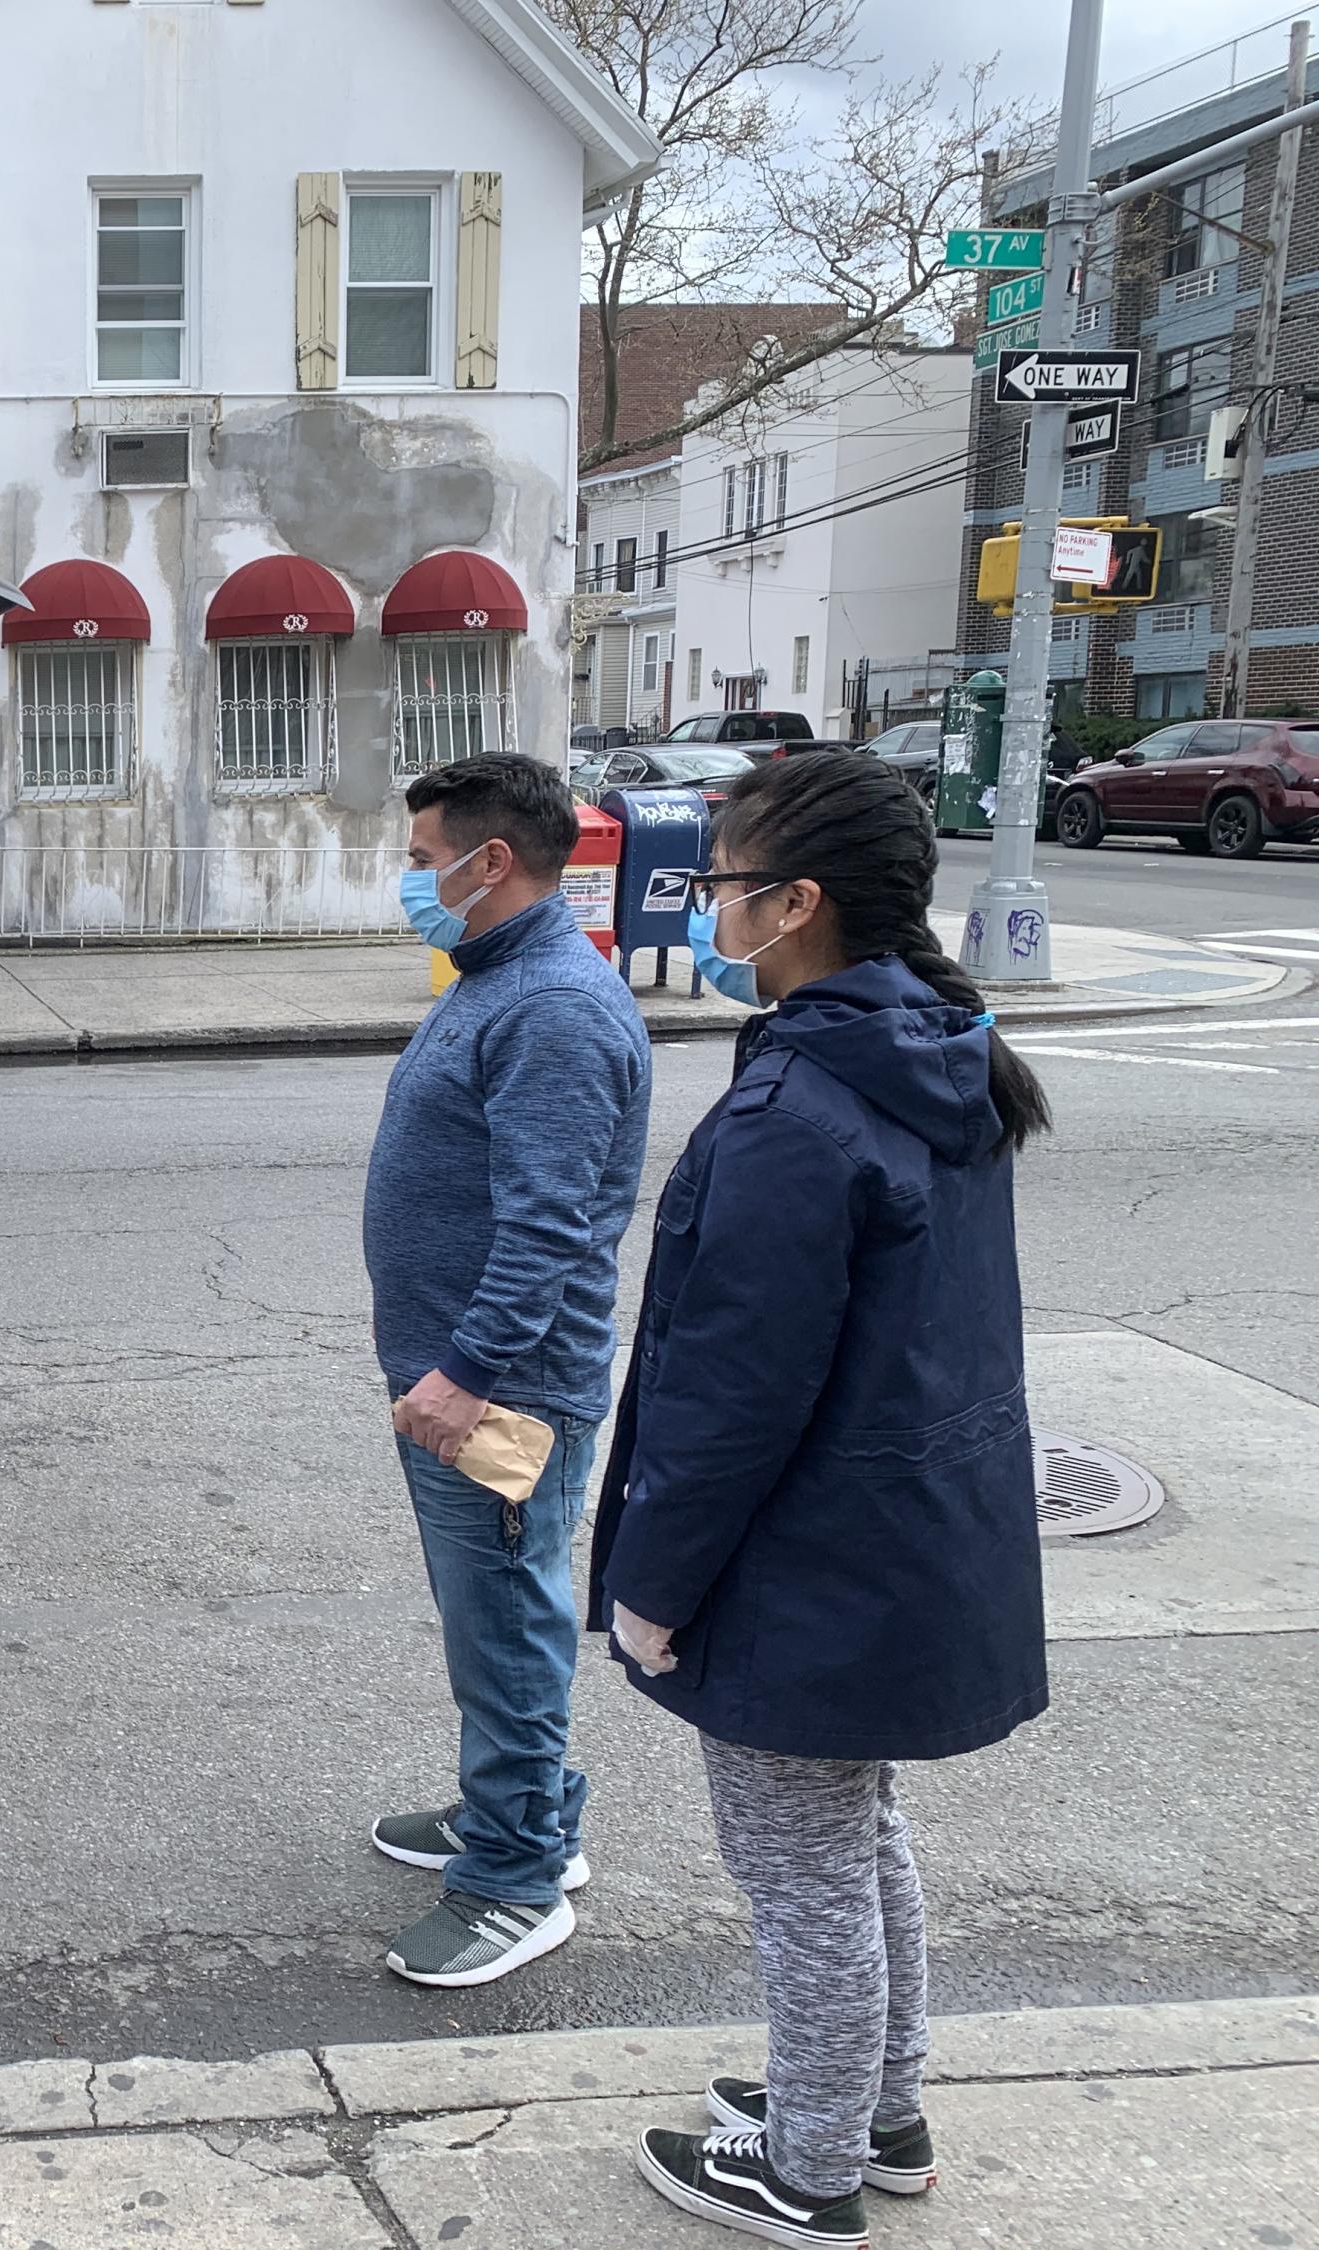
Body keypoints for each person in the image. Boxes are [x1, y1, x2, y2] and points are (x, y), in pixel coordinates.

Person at [600, 752, 1050, 2246]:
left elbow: (731, 1399)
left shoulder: (801, 1103)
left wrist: (653, 1593)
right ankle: (878, 2111)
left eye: (723, 880)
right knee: (857, 1841)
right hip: (899, 1542)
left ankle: (806, 2169)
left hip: (809, 1561)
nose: (706, 901)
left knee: (802, 1870)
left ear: (796, 905)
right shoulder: (940, 1053)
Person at [361, 752, 652, 1987]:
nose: (412, 881)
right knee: (492, 1619)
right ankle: (516, 1808)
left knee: (508, 1626)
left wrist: (465, 1371)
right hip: (467, 1381)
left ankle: (517, 1877)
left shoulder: (552, 1010)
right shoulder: (502, 977)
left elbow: (552, 1225)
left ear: (492, 865)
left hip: (500, 1394)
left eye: (426, 861)